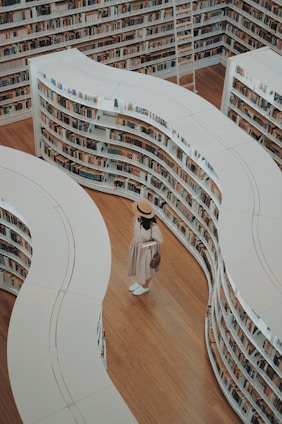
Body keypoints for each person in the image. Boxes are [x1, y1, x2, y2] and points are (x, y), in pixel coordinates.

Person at [128, 199, 163, 296]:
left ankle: (145, 286)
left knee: (147, 269)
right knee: (138, 266)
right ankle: (139, 282)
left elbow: (159, 241)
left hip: (147, 250)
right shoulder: (136, 218)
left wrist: (145, 245)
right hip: (137, 245)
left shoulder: (154, 227)